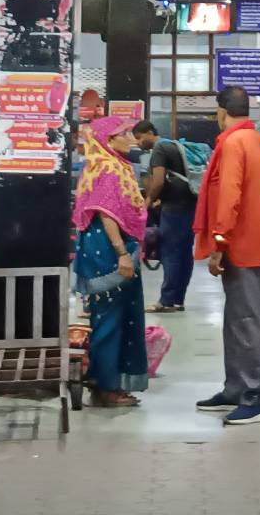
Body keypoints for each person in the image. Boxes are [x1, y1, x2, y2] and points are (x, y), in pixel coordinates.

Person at [194, 84, 260, 426]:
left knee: (245, 319)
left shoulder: (233, 143)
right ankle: (235, 388)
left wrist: (219, 243)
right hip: (252, 238)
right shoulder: (258, 141)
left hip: (237, 242)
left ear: (222, 111)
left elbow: (229, 196)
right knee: (236, 318)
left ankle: (253, 397)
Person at [71, 115, 149, 406]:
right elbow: (107, 215)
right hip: (108, 253)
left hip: (109, 249)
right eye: (123, 134)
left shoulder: (108, 165)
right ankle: (105, 388)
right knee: (110, 319)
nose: (130, 139)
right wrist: (122, 254)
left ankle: (110, 383)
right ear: (107, 140)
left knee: (117, 316)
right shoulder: (107, 168)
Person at [138, 120, 197, 313]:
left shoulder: (159, 149)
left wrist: (149, 200)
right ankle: (178, 299)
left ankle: (166, 301)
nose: (138, 142)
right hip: (191, 205)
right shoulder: (173, 145)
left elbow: (158, 181)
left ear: (149, 132)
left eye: (139, 137)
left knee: (170, 253)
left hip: (174, 208)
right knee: (185, 253)